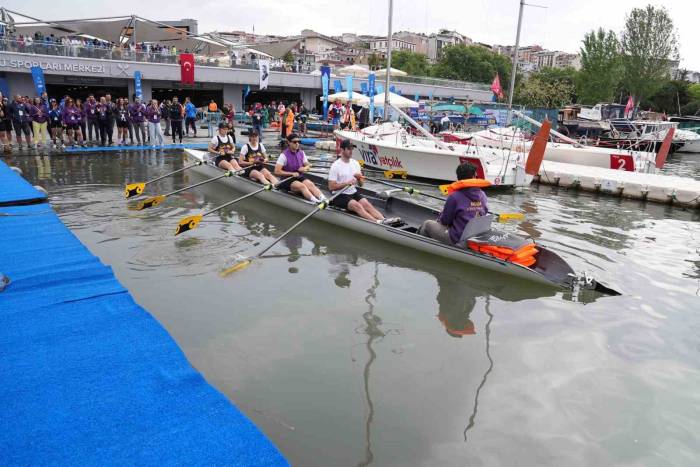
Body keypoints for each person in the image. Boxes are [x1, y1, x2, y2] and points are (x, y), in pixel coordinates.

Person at [417, 162, 489, 245]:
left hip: (457, 238)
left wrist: (440, 219)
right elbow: (484, 212)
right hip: (474, 237)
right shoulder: (483, 195)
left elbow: (445, 221)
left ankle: (418, 246)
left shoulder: (455, 197)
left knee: (427, 224)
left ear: (458, 178)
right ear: (474, 177)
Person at [328, 139, 389, 223]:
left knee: (367, 204)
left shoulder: (355, 163)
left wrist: (359, 179)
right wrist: (347, 183)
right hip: (339, 195)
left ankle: (385, 220)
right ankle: (377, 223)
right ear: (342, 150)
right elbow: (331, 187)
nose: (351, 151)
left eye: (352, 148)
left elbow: (361, 185)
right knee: (356, 205)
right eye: (348, 148)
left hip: (353, 192)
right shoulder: (335, 166)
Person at [274, 133, 326, 203]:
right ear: (289, 142)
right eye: (294, 142)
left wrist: (304, 168)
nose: (297, 144)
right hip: (287, 180)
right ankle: (316, 202)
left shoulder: (301, 153)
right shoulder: (283, 155)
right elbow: (277, 171)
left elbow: (308, 165)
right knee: (302, 186)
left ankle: (324, 199)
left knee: (310, 184)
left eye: (298, 142)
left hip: (299, 177)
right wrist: (292, 173)